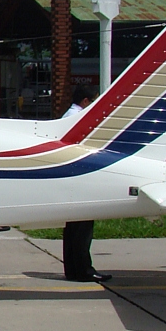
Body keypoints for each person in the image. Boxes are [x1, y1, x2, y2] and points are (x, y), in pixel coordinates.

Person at [61, 85, 111, 283]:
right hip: (79, 178)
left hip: (72, 179)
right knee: (82, 229)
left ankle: (74, 269)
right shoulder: (78, 118)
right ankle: (83, 270)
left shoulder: (69, 115)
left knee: (73, 229)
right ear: (85, 101)